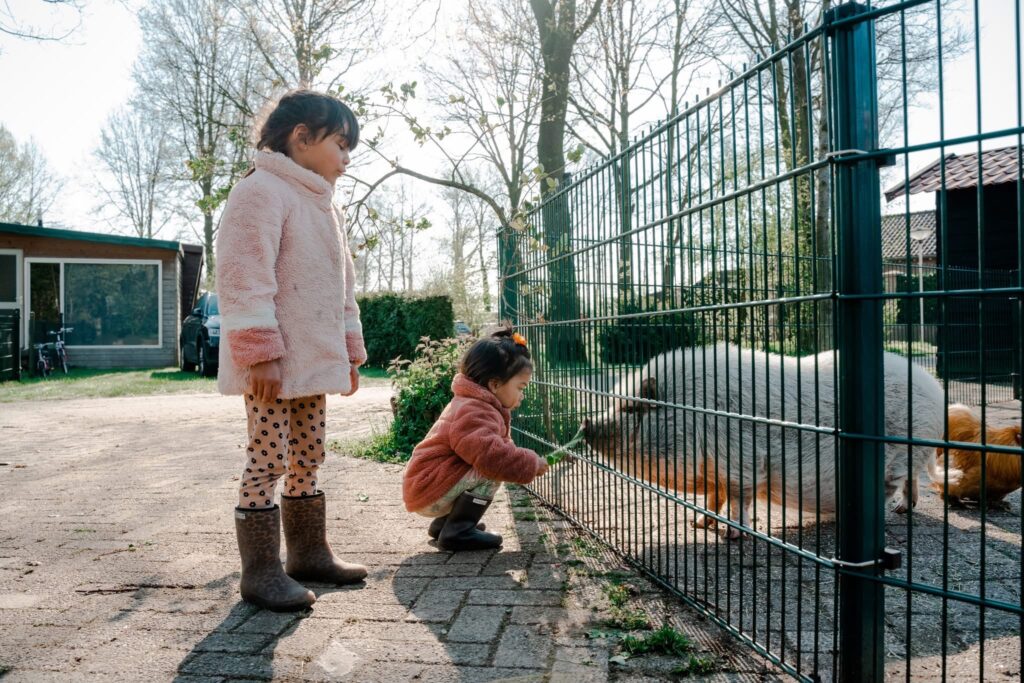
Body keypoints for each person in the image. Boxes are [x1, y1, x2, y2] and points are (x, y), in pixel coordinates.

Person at [216, 89, 367, 611]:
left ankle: (308, 553)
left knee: (309, 453)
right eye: (341, 144)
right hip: (272, 367)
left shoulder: (325, 207)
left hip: (312, 362)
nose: (347, 158)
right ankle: (260, 570)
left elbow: (342, 288)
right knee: (268, 456)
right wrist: (258, 349)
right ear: (302, 138)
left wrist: (348, 351)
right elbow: (242, 273)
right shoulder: (260, 192)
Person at [402, 327, 549, 551]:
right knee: (491, 467)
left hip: (431, 485)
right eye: (521, 387)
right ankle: (458, 532)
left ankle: (446, 525)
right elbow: (492, 456)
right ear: (495, 384)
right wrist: (530, 463)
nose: (522, 395)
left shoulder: (478, 405)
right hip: (429, 488)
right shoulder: (474, 411)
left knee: (493, 461)